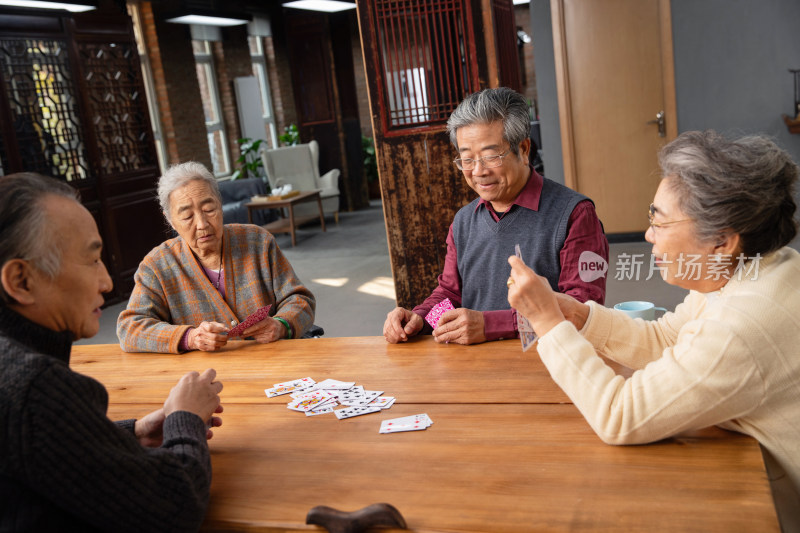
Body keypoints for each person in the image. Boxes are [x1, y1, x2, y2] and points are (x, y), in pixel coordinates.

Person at [507, 130, 800, 531]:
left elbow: (620, 416)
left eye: (659, 222)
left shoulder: (742, 323)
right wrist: (578, 316)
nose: (648, 236)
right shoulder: (748, 268)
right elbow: (666, 338)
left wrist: (547, 323)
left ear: (722, 241)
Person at [0, 172, 224, 531]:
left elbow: (46, 453)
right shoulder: (36, 387)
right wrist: (187, 420)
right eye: (91, 260)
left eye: (209, 207)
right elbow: (174, 507)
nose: (106, 282)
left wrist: (131, 433)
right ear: (21, 281)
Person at [383, 87, 608, 345]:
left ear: (523, 149)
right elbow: (451, 295)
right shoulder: (464, 221)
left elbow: (583, 310)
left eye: (491, 156)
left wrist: (490, 325)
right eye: (467, 159)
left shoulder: (574, 214)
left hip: (550, 364)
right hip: (473, 368)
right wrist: (420, 319)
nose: (478, 171)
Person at [117, 161, 316, 353]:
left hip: (273, 360)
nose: (202, 224)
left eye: (209, 209)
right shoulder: (157, 265)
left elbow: (300, 300)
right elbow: (129, 329)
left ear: (220, 205)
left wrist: (281, 324)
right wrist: (190, 337)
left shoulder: (258, 242)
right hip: (206, 376)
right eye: (187, 216)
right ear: (170, 221)